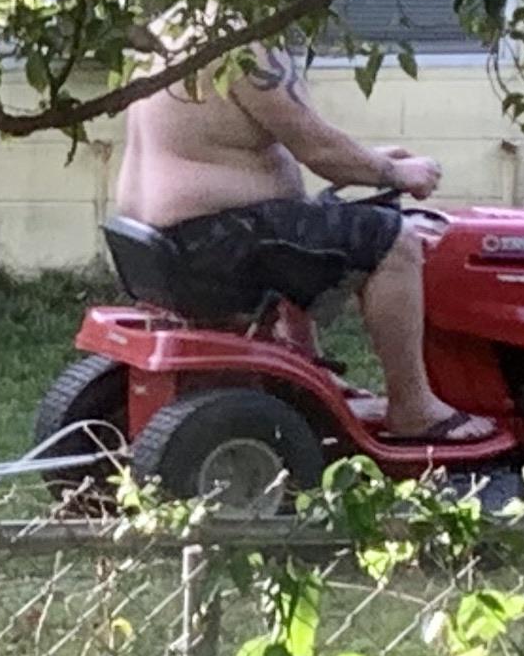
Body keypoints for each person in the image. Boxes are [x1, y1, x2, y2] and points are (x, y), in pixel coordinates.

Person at [114, 43, 498, 444]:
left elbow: (247, 140)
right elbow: (318, 149)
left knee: (308, 230)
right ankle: (414, 408)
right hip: (211, 238)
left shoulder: (179, 31)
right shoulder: (245, 44)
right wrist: (395, 172)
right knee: (394, 240)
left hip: (161, 237)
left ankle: (310, 375)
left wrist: (365, 161)